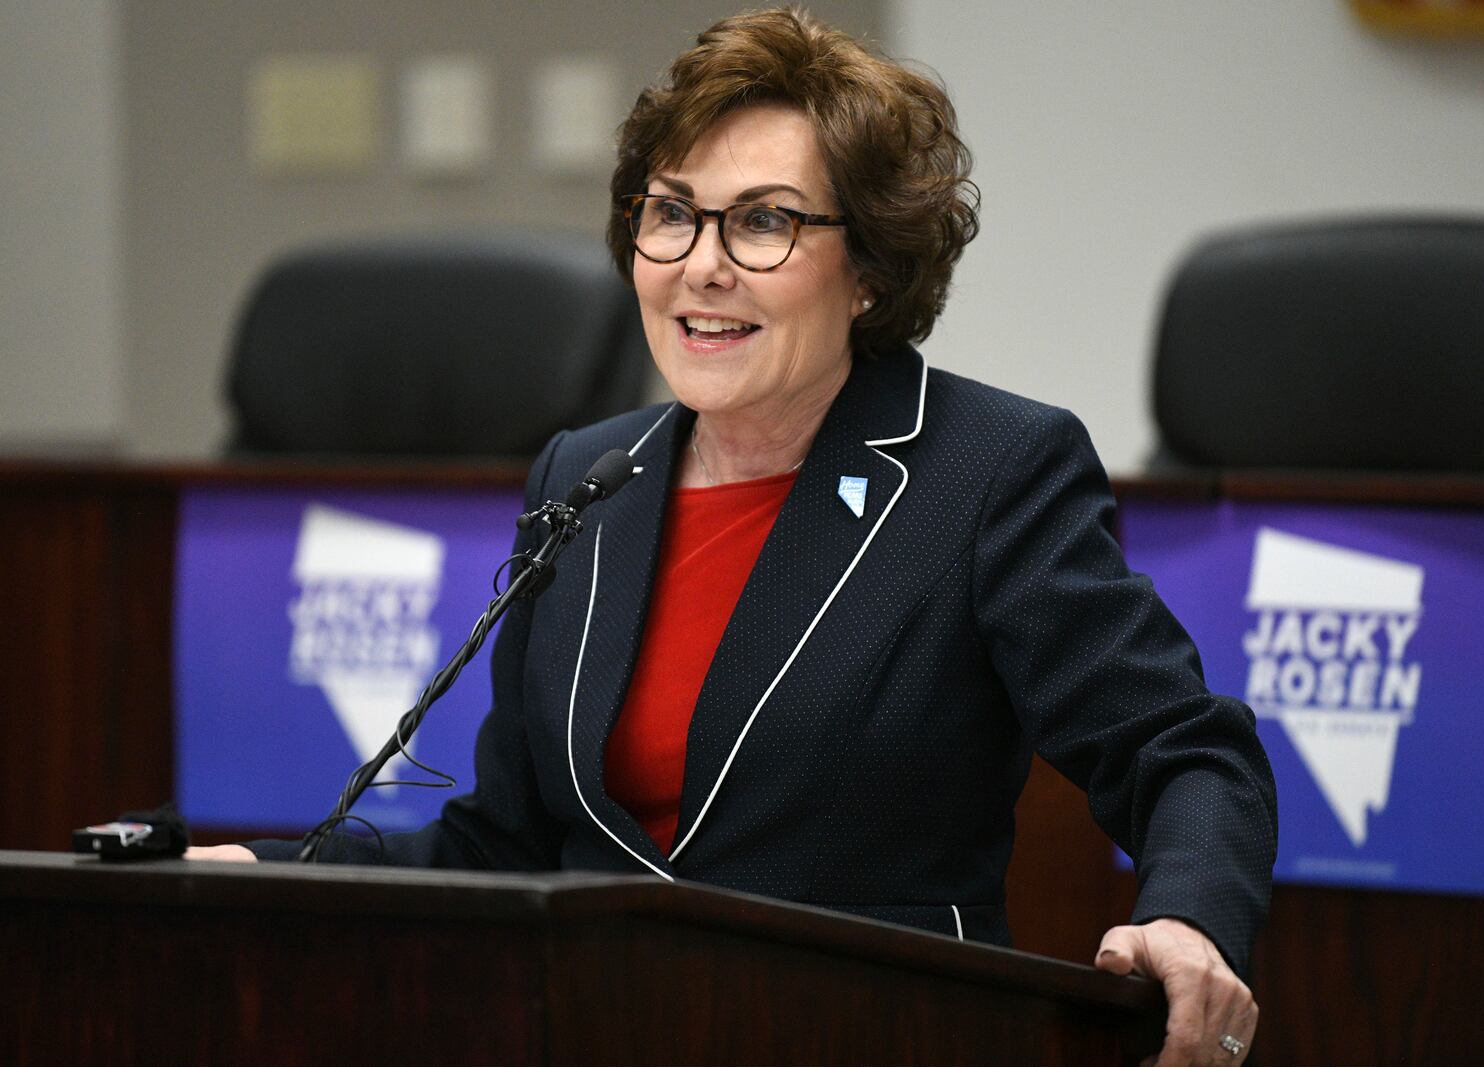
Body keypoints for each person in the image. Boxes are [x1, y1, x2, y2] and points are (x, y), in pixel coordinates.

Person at [191, 8, 1275, 1063]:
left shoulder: (984, 472)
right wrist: (279, 874)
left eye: (762, 220)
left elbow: (1181, 749)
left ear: (870, 271)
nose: (700, 264)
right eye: (672, 212)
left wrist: (1189, 918)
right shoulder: (585, 477)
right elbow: (504, 844)